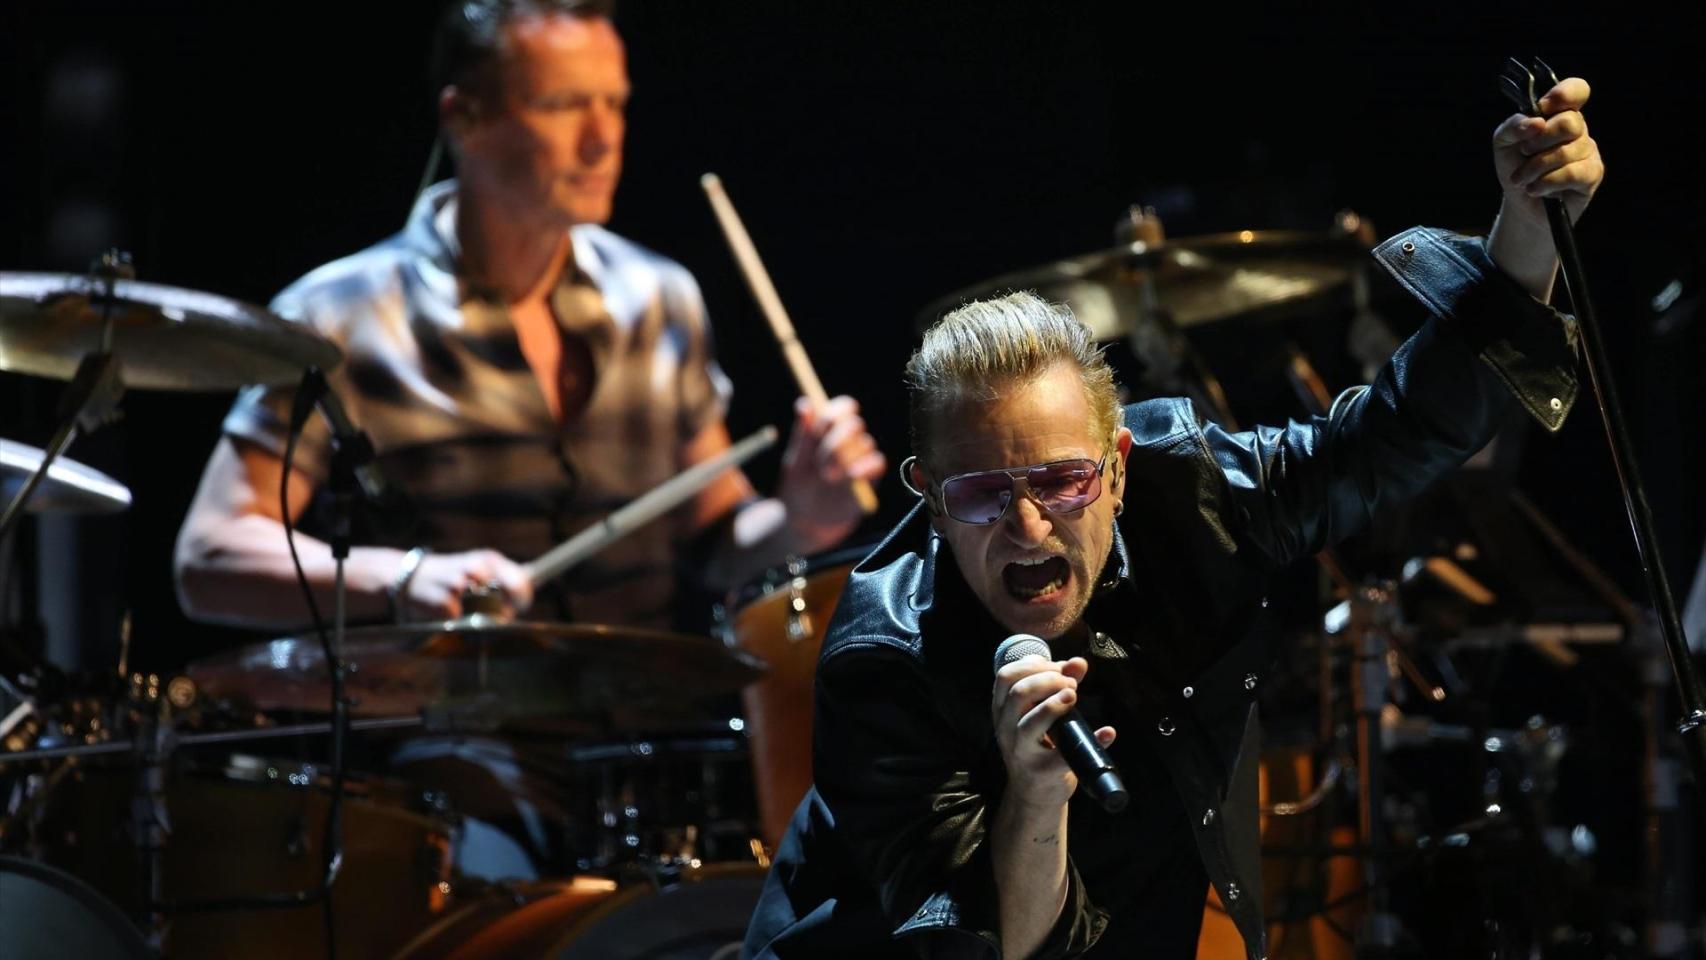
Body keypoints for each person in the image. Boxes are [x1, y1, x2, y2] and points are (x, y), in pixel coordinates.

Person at [744, 78, 1603, 959]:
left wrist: (1530, 223)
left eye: (1064, 481)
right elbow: (990, 948)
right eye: (980, 493)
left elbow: (1395, 431)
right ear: (927, 493)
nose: (1030, 526)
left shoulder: (1196, 496)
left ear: (1119, 468)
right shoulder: (884, 661)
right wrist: (1035, 792)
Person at [171, 0, 884, 881]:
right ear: (463, 117)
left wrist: (800, 519)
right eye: (561, 106)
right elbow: (208, 555)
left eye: (615, 104)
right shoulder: (340, 316)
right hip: (454, 752)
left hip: (655, 752)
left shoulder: (659, 301)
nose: (602, 139)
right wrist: (405, 580)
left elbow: (722, 544)